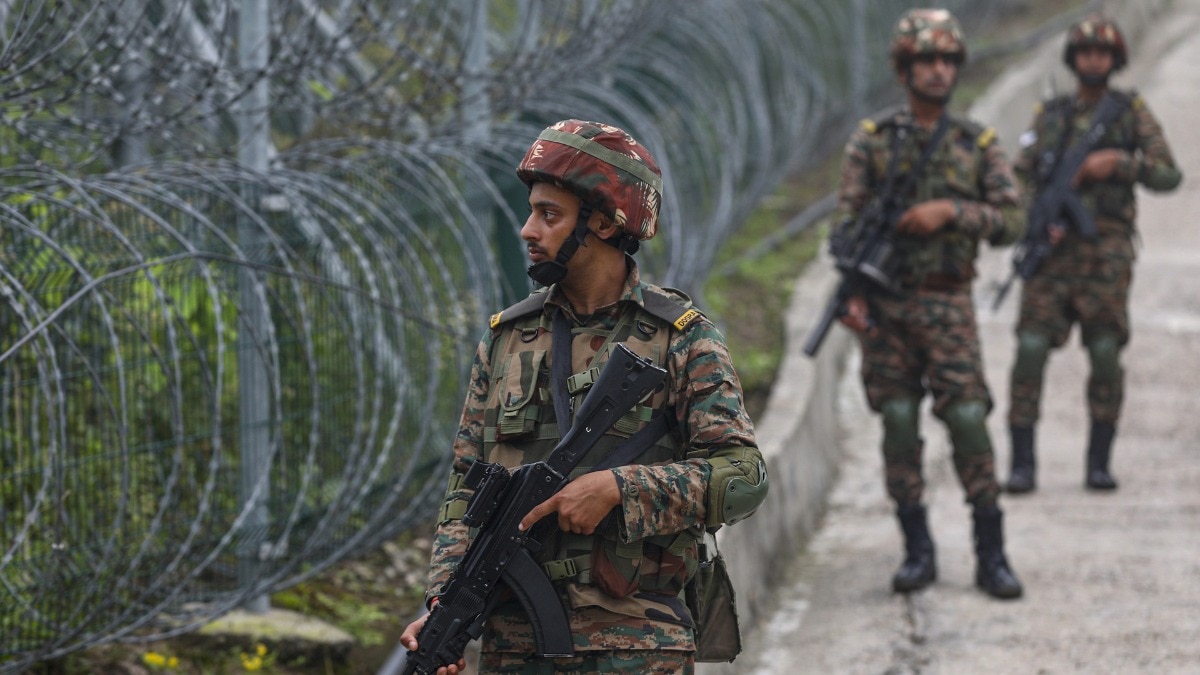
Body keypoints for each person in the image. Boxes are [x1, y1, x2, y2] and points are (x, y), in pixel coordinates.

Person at [399, 119, 768, 674]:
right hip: (514, 647)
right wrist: (445, 603)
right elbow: (463, 493)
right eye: (532, 211)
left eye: (549, 215)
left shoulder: (680, 337)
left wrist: (619, 488)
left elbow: (744, 477)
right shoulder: (506, 340)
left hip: (638, 646)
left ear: (602, 222)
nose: (528, 229)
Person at [831, 9, 1024, 599]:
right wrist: (853, 293)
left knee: (966, 418)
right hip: (887, 310)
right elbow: (844, 228)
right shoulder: (873, 142)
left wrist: (952, 212)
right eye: (926, 61)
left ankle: (991, 551)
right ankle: (917, 549)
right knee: (896, 421)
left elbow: (1013, 218)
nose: (938, 71)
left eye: (947, 61)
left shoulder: (975, 145)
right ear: (904, 68)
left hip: (947, 304)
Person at [1004, 15, 1181, 494]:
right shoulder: (1051, 115)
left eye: (1102, 53)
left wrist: (1118, 163)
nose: (1093, 60)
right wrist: (1032, 214)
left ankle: (1098, 463)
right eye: (1084, 52)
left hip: (1106, 254)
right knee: (1030, 349)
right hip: (1053, 254)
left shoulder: (1128, 113)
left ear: (1115, 59)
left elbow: (1168, 174)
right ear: (1073, 59)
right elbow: (1018, 176)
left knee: (1104, 352)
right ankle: (1022, 464)